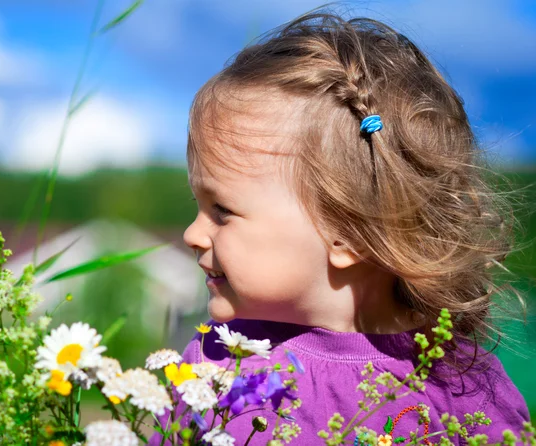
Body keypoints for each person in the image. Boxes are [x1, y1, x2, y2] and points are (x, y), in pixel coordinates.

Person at [179, 9, 530, 445]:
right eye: (199, 205)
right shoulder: (215, 361)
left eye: (222, 211)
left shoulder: (461, 388)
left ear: (349, 232)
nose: (191, 234)